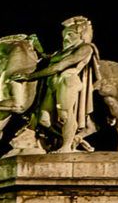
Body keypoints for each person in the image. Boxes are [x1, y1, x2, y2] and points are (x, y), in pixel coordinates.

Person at [16, 16, 100, 153]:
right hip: (53, 83)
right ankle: (73, 138)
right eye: (65, 35)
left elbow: (59, 66)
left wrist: (29, 77)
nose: (66, 38)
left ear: (81, 34)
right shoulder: (62, 51)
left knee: (65, 114)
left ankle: (66, 146)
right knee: (43, 119)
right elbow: (48, 58)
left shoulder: (85, 48)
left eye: (70, 35)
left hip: (68, 81)